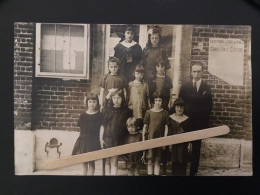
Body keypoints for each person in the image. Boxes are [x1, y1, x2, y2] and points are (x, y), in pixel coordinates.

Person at [178, 62, 213, 176]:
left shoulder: (206, 88)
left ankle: (193, 171)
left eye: (198, 71)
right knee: (183, 146)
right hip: (186, 121)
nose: (196, 74)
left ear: (202, 72)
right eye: (194, 71)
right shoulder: (185, 87)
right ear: (191, 72)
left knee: (196, 147)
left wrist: (201, 117)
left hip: (199, 122)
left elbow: (209, 106)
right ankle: (181, 170)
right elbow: (180, 103)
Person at [99, 89, 132, 175]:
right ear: (111, 99)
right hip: (107, 138)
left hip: (118, 139)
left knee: (114, 160)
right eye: (114, 98)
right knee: (107, 161)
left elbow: (129, 124)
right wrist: (101, 138)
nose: (116, 100)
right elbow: (102, 125)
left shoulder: (126, 111)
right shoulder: (107, 110)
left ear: (122, 99)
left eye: (118, 98)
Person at [72, 93, 103, 175]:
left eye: (94, 102)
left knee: (92, 163)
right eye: (89, 102)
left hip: (93, 141)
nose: (92, 104)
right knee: (84, 163)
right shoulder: (83, 115)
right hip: (84, 141)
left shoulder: (99, 115)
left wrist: (100, 140)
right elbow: (81, 130)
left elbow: (101, 129)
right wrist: (79, 142)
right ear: (86, 103)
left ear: (97, 103)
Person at [142, 92, 169, 176]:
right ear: (153, 101)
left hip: (160, 140)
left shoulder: (165, 113)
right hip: (150, 139)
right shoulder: (148, 112)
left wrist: (164, 140)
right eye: (156, 100)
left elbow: (166, 127)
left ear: (162, 101)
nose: (158, 102)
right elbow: (145, 127)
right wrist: (143, 140)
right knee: (150, 160)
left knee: (157, 160)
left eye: (160, 100)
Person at [168, 98, 192, 176]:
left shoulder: (187, 119)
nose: (179, 109)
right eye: (177, 107)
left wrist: (189, 143)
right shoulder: (170, 118)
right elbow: (169, 132)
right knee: (175, 162)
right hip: (174, 143)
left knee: (183, 162)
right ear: (174, 107)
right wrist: (170, 143)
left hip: (183, 144)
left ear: (184, 108)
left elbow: (189, 132)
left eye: (181, 107)